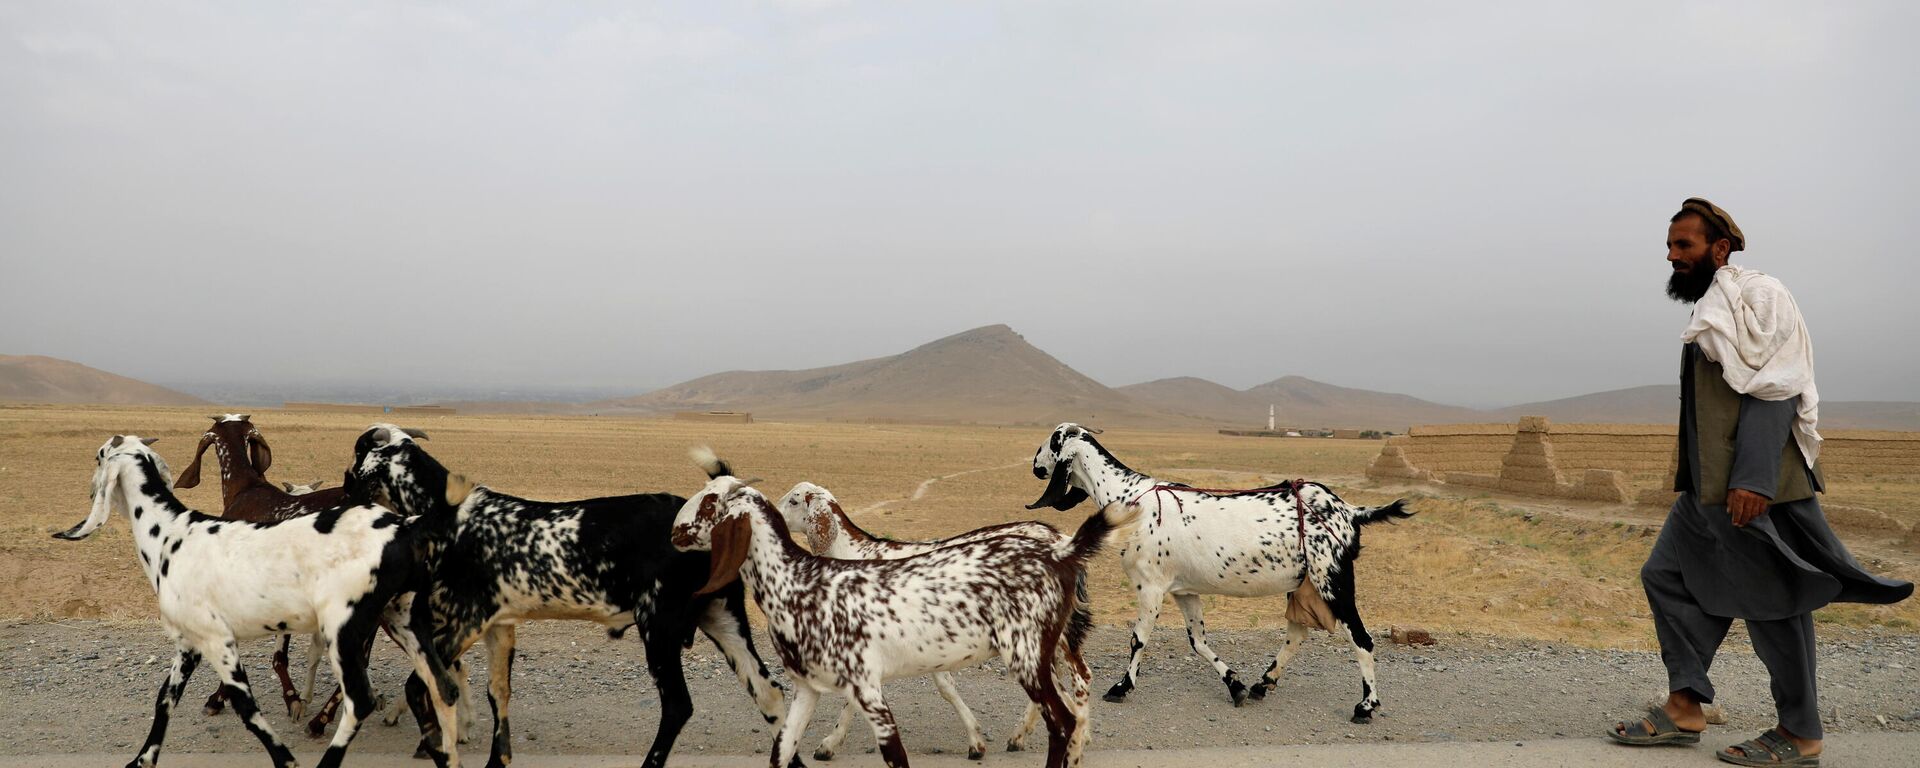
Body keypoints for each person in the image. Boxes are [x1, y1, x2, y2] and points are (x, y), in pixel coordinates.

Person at [1606, 198, 1912, 766]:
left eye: (1684, 246)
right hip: (1704, 493)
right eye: (1670, 247)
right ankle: (1685, 704)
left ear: (1719, 248)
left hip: (1751, 489)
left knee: (1775, 603)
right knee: (1667, 576)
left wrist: (1753, 479)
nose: (1673, 256)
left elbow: (1778, 385)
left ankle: (1800, 733)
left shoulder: (1759, 297)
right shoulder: (1713, 309)